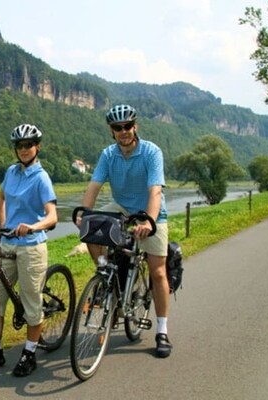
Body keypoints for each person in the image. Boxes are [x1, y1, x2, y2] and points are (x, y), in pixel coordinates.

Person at [78, 104, 172, 358]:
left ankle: (162, 330)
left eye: (127, 126)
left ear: (135, 126)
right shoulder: (108, 155)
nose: (123, 131)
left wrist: (150, 222)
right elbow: (94, 184)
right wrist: (84, 212)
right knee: (91, 226)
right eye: (118, 128)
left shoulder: (151, 152)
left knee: (158, 271)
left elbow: (155, 191)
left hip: (151, 211)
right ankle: (104, 273)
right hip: (121, 207)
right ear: (111, 130)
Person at [0, 123, 58, 377]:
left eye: (29, 145)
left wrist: (32, 226)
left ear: (37, 147)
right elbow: (1, 198)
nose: (25, 149)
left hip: (31, 247)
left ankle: (29, 353)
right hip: (8, 243)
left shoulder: (41, 178)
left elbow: (52, 217)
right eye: (20, 145)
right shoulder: (11, 172)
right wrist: (2, 223)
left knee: (31, 301)